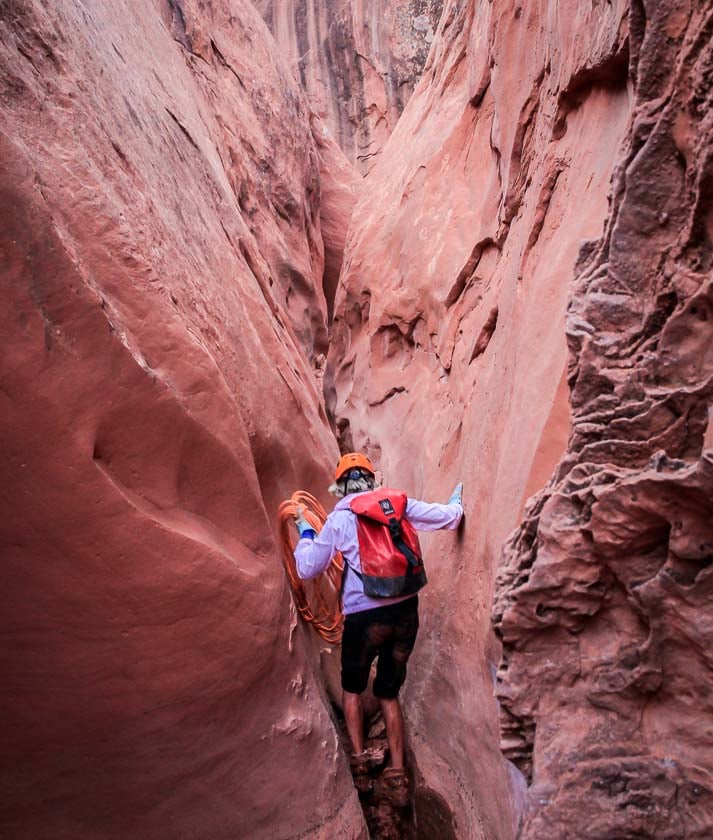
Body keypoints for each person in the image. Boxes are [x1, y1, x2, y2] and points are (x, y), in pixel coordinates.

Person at [293, 452, 463, 805]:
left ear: (340, 486)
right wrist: (456, 502)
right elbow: (447, 519)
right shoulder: (396, 502)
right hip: (404, 612)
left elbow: (308, 568)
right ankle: (399, 777)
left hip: (363, 618)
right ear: (372, 480)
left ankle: (360, 767)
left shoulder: (339, 518)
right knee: (388, 692)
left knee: (352, 689)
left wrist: (307, 533)